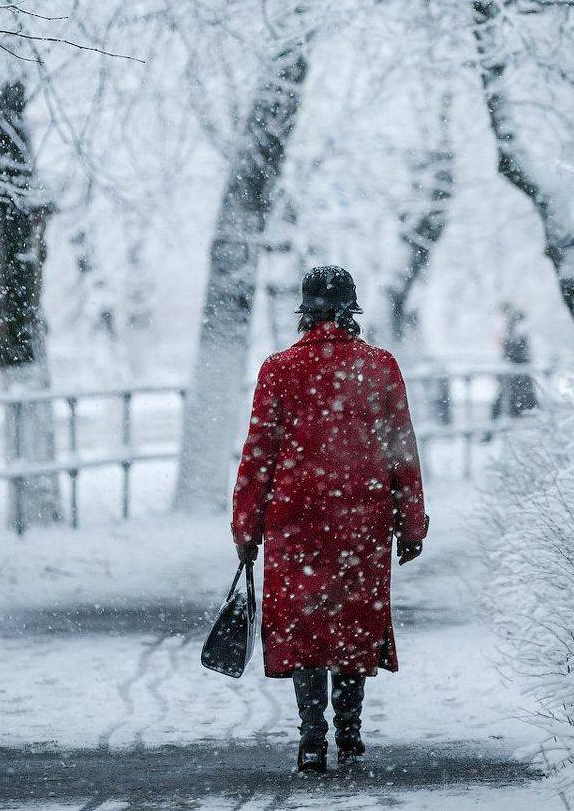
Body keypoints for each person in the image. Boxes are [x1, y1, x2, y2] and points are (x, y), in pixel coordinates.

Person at [232, 264, 429, 774]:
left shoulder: (279, 369)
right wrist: (410, 521)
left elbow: (260, 453)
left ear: (305, 311)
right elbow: (402, 450)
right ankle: (350, 730)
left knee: (305, 625)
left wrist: (246, 526)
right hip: (359, 517)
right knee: (350, 621)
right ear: (352, 310)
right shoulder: (379, 367)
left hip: (295, 518)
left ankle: (311, 735)